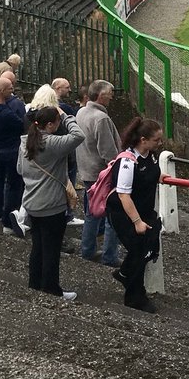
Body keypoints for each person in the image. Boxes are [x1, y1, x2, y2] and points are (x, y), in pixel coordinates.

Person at [18, 106, 84, 301]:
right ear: (50, 124)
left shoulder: (24, 142)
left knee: (38, 246)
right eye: (57, 121)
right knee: (52, 249)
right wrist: (66, 117)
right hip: (51, 205)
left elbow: (20, 169)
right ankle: (51, 288)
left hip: (32, 201)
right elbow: (78, 136)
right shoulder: (52, 142)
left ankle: (35, 283)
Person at [104, 117, 164, 312]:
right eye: (156, 140)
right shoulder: (127, 161)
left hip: (144, 211)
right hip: (123, 213)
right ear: (143, 140)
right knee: (138, 250)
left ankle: (124, 274)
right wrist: (137, 221)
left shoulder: (150, 156)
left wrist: (160, 177)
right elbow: (123, 194)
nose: (159, 144)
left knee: (148, 248)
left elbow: (150, 174)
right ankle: (135, 296)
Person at [75, 80, 121, 267]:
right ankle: (109, 257)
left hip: (86, 172)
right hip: (102, 175)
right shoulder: (101, 118)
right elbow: (108, 153)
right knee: (112, 216)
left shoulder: (81, 112)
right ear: (100, 96)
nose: (112, 95)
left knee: (91, 214)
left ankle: (87, 251)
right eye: (110, 92)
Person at [0, 76, 28, 236]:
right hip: (10, 152)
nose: (13, 89)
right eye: (10, 88)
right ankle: (8, 221)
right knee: (13, 186)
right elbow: (22, 125)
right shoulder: (6, 114)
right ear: (3, 92)